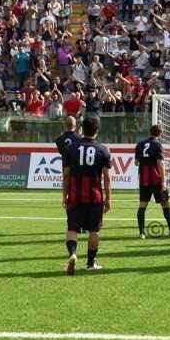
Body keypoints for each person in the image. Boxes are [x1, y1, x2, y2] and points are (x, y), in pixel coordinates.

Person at [62, 117, 111, 275]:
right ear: (97, 130)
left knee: (72, 229)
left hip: (75, 196)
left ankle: (72, 255)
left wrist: (64, 196)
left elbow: (66, 175)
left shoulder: (71, 148)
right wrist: (109, 198)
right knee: (94, 231)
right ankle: (90, 263)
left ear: (81, 129)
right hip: (95, 197)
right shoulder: (103, 149)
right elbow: (107, 177)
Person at [134, 125, 170, 239]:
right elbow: (160, 163)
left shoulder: (140, 144)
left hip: (144, 179)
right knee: (165, 203)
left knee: (142, 205)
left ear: (150, 132)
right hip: (156, 179)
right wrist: (163, 182)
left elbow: (136, 163)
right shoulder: (158, 145)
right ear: (160, 134)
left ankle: (141, 232)